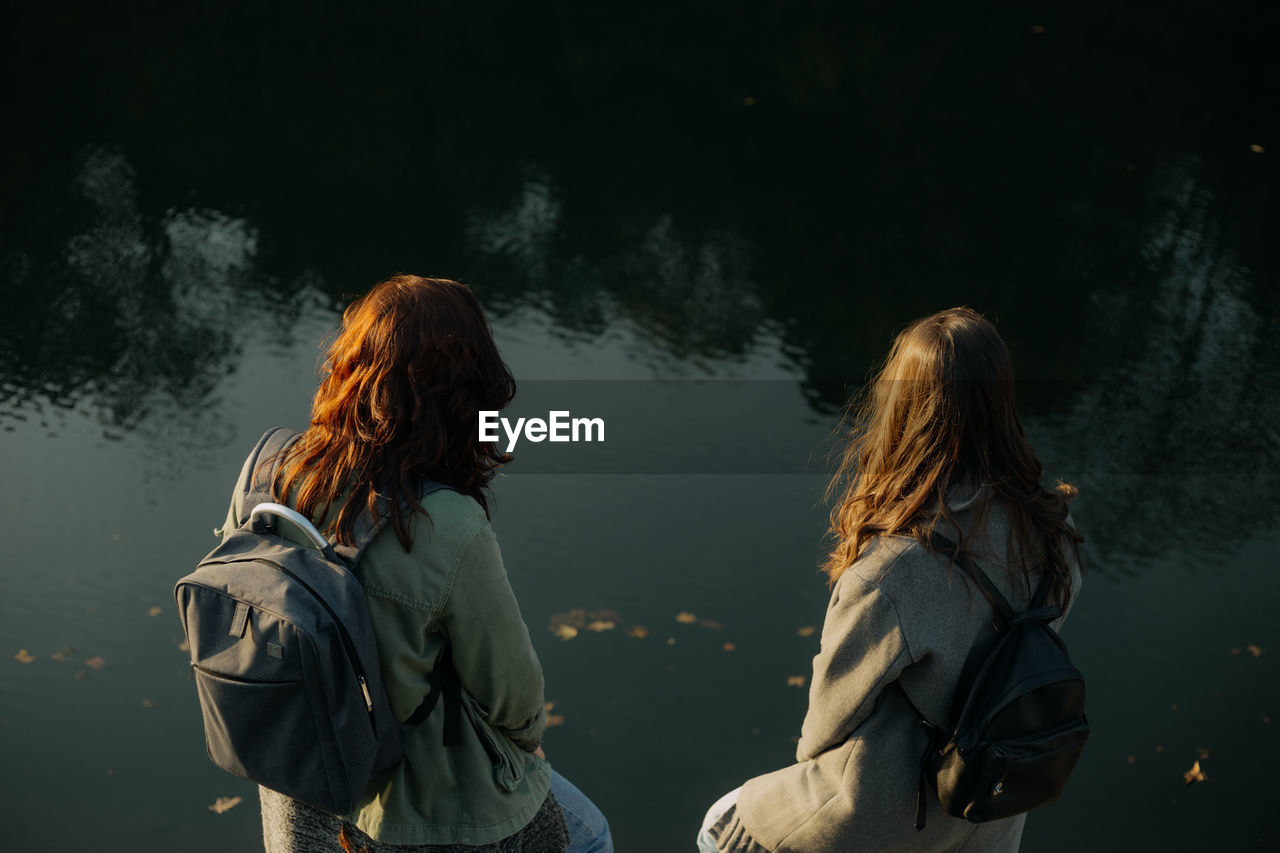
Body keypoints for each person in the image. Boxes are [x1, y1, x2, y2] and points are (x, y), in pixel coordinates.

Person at [217, 274, 612, 853]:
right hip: (424, 806)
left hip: (298, 768)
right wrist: (529, 743)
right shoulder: (445, 523)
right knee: (589, 836)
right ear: (463, 394)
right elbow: (511, 693)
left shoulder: (270, 472)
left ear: (347, 370)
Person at [697, 307, 1084, 853]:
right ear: (1002, 401)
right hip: (994, 803)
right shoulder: (1055, 529)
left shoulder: (891, 570)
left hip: (887, 816)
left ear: (904, 408)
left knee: (718, 826)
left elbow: (824, 730)